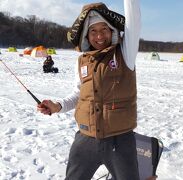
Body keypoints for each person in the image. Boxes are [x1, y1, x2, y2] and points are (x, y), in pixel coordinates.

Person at [37, 0, 144, 179]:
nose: (99, 36)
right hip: (86, 138)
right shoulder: (82, 61)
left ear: (112, 31)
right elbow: (79, 94)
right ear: (86, 35)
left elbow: (134, 20)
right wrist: (57, 106)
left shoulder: (125, 53)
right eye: (93, 31)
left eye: (104, 29)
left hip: (120, 140)